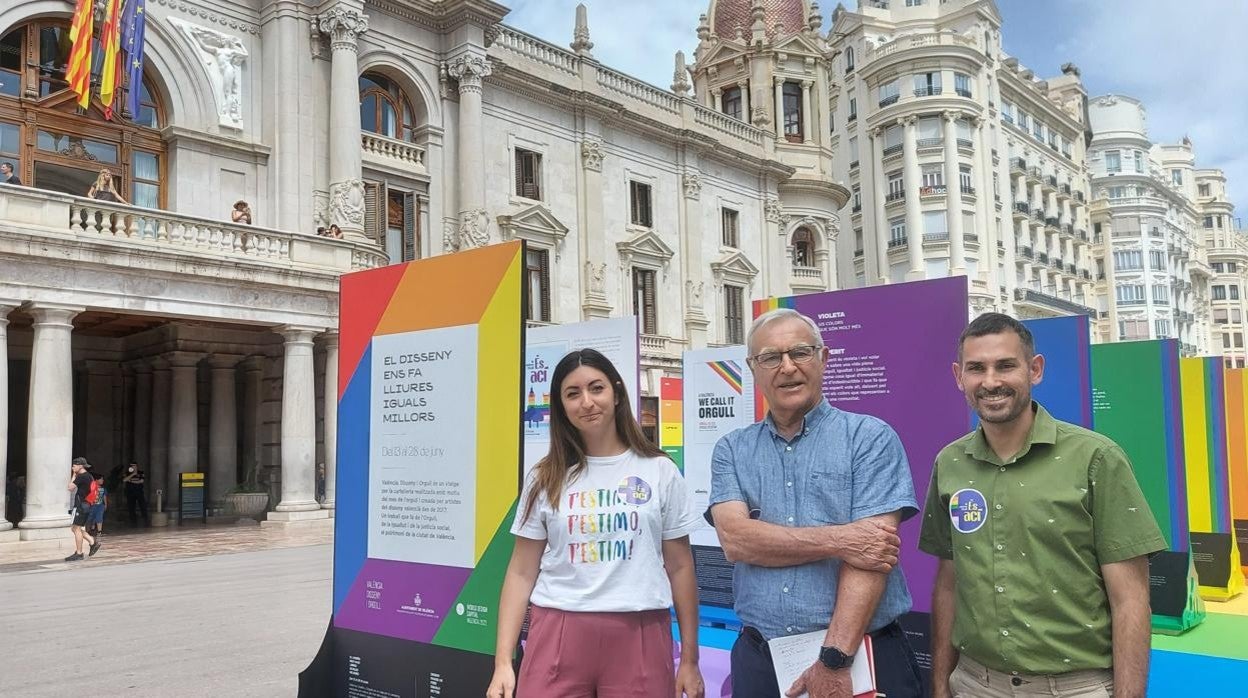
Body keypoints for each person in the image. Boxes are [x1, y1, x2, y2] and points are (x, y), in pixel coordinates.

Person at [920, 313, 1165, 698]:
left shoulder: (1096, 459)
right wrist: (940, 685)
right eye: (976, 368)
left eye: (1005, 365)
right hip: (973, 684)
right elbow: (949, 583)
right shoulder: (949, 463)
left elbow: (1131, 598)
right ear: (958, 377)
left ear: (1035, 370)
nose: (990, 381)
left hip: (1074, 687)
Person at [709, 308, 922, 698]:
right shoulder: (732, 450)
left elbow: (872, 557)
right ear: (753, 369)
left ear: (824, 358)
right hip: (760, 660)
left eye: (800, 353)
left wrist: (834, 659)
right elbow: (737, 541)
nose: (787, 367)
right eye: (770, 357)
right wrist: (844, 539)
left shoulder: (869, 438)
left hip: (861, 656)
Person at [487, 348, 705, 698]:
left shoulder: (659, 470)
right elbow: (521, 571)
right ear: (560, 406)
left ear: (616, 393)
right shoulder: (546, 477)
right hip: (558, 629)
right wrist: (502, 662)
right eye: (573, 394)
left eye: (596, 388)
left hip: (640, 633)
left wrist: (690, 660)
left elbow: (680, 567)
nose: (586, 402)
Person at [65, 457, 101, 561]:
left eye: (74, 465)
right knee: (75, 528)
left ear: (80, 466)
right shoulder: (89, 476)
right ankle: (92, 542)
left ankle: (79, 552)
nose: (72, 467)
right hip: (86, 505)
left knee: (76, 529)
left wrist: (74, 475)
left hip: (81, 506)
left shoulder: (81, 476)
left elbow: (70, 487)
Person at [123, 462, 150, 526]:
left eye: (134, 466)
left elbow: (141, 481)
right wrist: (132, 474)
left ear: (137, 466)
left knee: (143, 506)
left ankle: (146, 522)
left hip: (139, 492)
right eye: (132, 466)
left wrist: (131, 481)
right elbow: (124, 480)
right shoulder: (127, 473)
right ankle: (133, 522)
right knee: (131, 508)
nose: (133, 467)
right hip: (130, 493)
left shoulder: (141, 472)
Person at [87, 473, 108, 537]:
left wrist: (105, 504)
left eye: (102, 479)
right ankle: (91, 530)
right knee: (91, 518)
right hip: (92, 505)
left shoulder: (103, 489)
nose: (102, 480)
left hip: (100, 506)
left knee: (99, 517)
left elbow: (104, 496)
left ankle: (99, 532)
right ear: (96, 480)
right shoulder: (91, 487)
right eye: (101, 479)